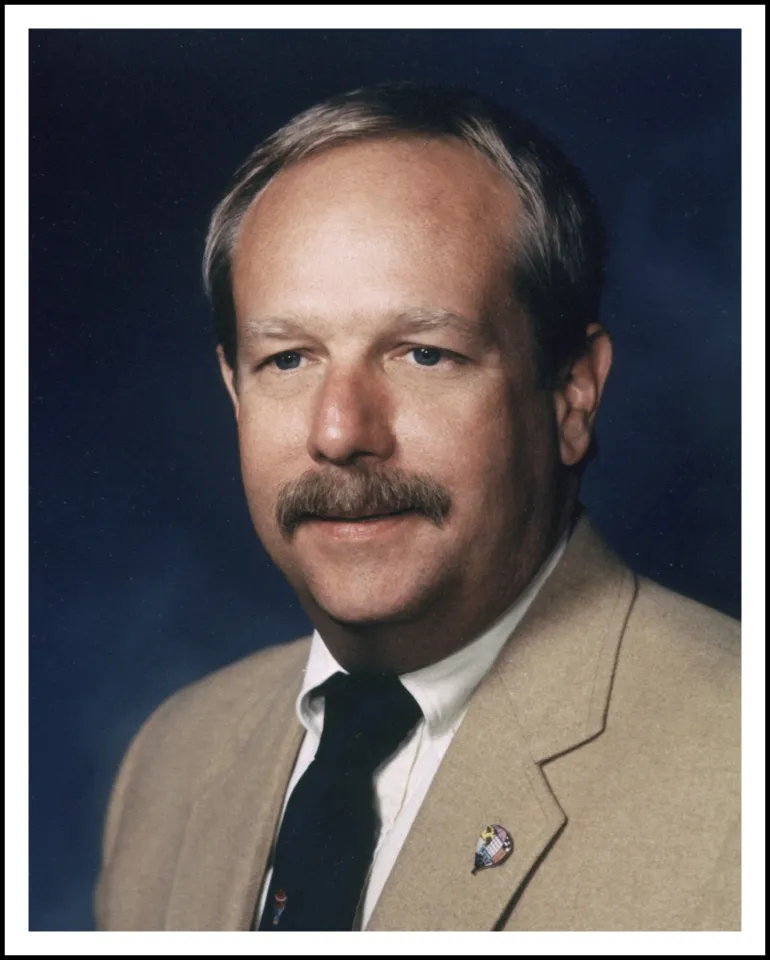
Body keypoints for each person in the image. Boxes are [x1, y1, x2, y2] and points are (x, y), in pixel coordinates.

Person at [93, 82, 740, 932]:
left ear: (572, 394)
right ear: (233, 389)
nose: (340, 432)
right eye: (288, 360)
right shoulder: (172, 760)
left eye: (423, 354)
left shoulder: (738, 766)